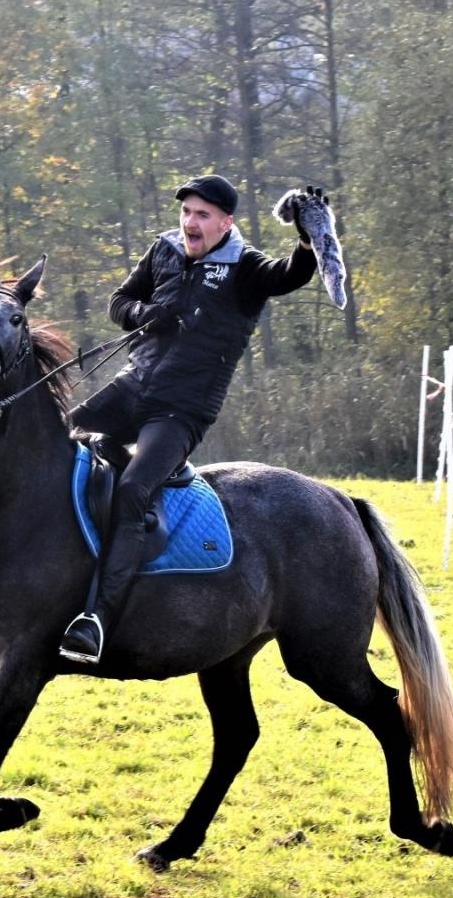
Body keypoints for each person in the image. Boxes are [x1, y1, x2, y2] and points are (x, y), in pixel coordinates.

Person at [56, 174, 323, 663]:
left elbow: (291, 275)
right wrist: (144, 313)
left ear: (225, 222)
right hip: (132, 387)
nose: (189, 223)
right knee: (50, 442)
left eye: (201, 215)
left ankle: (96, 618)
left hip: (181, 412)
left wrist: (308, 238)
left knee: (135, 490)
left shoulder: (245, 267)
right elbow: (119, 302)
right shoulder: (162, 250)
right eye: (186, 212)